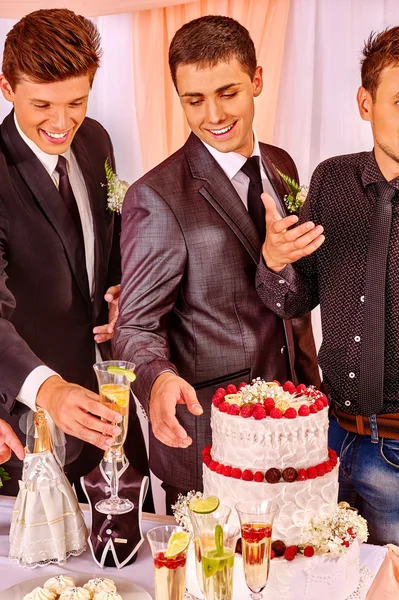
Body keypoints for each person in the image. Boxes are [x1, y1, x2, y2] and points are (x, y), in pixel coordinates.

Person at [256, 24, 399, 572]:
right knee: (316, 576)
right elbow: (297, 300)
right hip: (329, 436)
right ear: (366, 103)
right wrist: (275, 261)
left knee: (391, 584)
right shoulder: (332, 180)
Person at [115, 15, 321, 513]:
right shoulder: (155, 197)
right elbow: (135, 326)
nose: (213, 114)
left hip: (296, 422)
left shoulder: (282, 164)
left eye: (227, 92)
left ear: (257, 80)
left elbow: (292, 290)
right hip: (209, 439)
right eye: (194, 99)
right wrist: (158, 378)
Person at [0, 8, 150, 502]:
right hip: (26, 415)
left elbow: (103, 243)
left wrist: (119, 288)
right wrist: (48, 390)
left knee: (128, 547)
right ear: (6, 87)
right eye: (42, 105)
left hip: (105, 396)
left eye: (76, 102)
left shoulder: (95, 141)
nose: (61, 124)